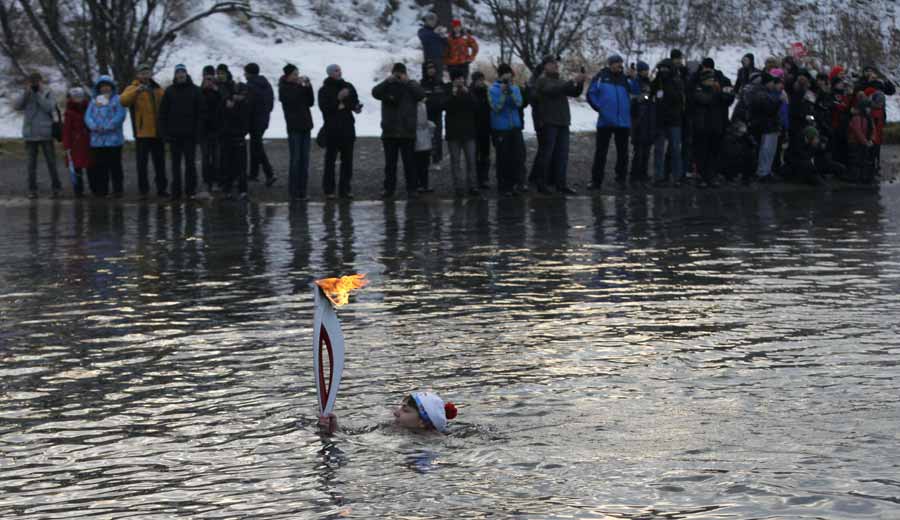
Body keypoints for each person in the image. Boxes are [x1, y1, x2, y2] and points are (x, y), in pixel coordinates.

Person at [531, 54, 585, 194]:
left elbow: (574, 93)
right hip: (549, 122)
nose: (555, 65)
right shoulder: (542, 81)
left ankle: (561, 184)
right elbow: (552, 91)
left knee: (562, 155)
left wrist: (579, 82)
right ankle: (541, 184)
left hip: (563, 122)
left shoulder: (560, 81)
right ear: (545, 66)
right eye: (552, 63)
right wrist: (572, 80)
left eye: (556, 63)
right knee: (547, 154)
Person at [372, 63, 426, 199]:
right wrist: (386, 81)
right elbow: (375, 92)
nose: (398, 76)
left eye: (400, 73)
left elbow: (421, 95)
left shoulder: (411, 85)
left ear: (405, 73)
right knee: (390, 164)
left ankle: (412, 189)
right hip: (390, 131)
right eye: (396, 73)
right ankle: (389, 189)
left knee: (410, 163)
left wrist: (408, 82)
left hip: (407, 132)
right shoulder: (387, 86)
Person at [158, 64, 205, 200]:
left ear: (186, 74)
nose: (180, 75)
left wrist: (198, 133)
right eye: (178, 73)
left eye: (182, 72)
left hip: (190, 135)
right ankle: (176, 191)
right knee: (175, 165)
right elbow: (163, 114)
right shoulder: (169, 91)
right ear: (175, 75)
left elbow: (201, 114)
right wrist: (164, 133)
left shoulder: (195, 90)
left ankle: (191, 190)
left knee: (190, 164)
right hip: (174, 135)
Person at [121, 62, 167, 199]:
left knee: (160, 163)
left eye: (147, 72)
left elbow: (166, 106)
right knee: (142, 164)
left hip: (158, 132)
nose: (145, 75)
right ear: (138, 74)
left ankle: (162, 189)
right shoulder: (132, 87)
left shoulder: (158, 89)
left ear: (151, 74)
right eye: (142, 73)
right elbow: (123, 101)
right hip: (142, 132)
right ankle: (143, 191)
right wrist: (137, 91)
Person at [587, 54, 634, 190]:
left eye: (620, 63)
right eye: (616, 63)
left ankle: (621, 179)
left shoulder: (625, 79)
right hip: (605, 121)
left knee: (623, 153)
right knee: (601, 152)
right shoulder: (601, 77)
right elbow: (591, 93)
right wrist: (600, 108)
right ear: (610, 64)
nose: (619, 65)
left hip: (623, 122)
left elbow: (636, 92)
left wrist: (633, 78)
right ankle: (596, 181)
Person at [318, 391, 458, 435]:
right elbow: (354, 436)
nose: (396, 413)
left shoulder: (432, 442)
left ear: (422, 422)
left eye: (405, 410)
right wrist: (334, 428)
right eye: (400, 407)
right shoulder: (389, 428)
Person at [318, 64, 361, 200]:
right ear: (330, 73)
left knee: (347, 161)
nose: (339, 72)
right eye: (336, 71)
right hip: (332, 129)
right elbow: (325, 108)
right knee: (330, 160)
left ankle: (345, 189)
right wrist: (338, 100)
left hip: (348, 128)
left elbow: (354, 102)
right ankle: (329, 190)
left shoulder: (348, 86)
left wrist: (353, 106)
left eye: (340, 70)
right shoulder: (324, 89)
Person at [15, 71, 61, 199]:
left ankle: (56, 188)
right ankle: (32, 189)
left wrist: (38, 94)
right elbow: (17, 106)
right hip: (30, 133)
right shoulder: (26, 92)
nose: (35, 84)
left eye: (37, 81)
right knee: (30, 164)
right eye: (32, 81)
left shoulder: (48, 92)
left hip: (45, 133)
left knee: (51, 162)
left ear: (41, 81)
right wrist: (26, 93)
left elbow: (49, 107)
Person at [84, 75, 127, 198]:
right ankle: (102, 190)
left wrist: (108, 126)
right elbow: (88, 116)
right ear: (99, 88)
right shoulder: (95, 100)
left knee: (115, 166)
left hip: (113, 140)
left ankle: (118, 190)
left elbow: (120, 115)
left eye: (107, 86)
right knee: (100, 167)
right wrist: (93, 126)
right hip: (97, 141)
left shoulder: (118, 99)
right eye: (102, 86)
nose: (105, 89)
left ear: (111, 87)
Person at [690, 69, 734, 187]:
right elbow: (704, 99)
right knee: (702, 154)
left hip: (715, 127)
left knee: (713, 153)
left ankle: (711, 177)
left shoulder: (716, 90)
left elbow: (726, 101)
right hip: (702, 127)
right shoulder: (698, 89)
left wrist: (729, 94)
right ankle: (702, 177)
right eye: (709, 80)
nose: (712, 82)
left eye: (713, 80)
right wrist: (718, 94)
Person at [488, 63, 526, 197]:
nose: (508, 77)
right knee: (503, 157)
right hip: (501, 128)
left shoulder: (514, 88)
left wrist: (510, 92)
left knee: (518, 155)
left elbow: (519, 104)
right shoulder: (493, 89)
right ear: (500, 75)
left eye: (510, 74)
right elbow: (496, 107)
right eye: (506, 74)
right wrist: (503, 94)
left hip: (515, 126)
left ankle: (517, 183)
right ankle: (503, 185)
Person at [279, 63, 315, 201]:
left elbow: (310, 102)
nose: (297, 76)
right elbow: (291, 100)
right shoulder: (284, 88)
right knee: (296, 159)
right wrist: (300, 86)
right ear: (288, 76)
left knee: (304, 160)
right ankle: (294, 191)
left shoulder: (299, 87)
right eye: (294, 74)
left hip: (306, 125)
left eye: (297, 74)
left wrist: (309, 86)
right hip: (294, 127)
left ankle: (303, 190)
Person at [651, 59, 686, 187]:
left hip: (674, 121)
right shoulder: (657, 81)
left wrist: (665, 91)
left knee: (675, 150)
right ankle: (658, 176)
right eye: (661, 69)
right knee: (659, 150)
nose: (663, 71)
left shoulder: (677, 81)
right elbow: (650, 93)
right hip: (660, 120)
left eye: (666, 69)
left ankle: (677, 177)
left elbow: (678, 98)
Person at [444, 69, 479, 197]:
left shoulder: (468, 91)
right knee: (455, 161)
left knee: (471, 160)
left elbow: (476, 106)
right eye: (458, 79)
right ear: (453, 80)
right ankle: (458, 187)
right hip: (453, 133)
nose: (460, 81)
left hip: (468, 132)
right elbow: (444, 106)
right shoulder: (448, 90)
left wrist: (468, 93)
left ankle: (473, 186)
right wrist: (452, 94)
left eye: (462, 78)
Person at [244, 62, 277, 186]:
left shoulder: (250, 85)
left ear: (249, 73)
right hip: (264, 119)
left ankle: (269, 173)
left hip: (254, 120)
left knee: (257, 146)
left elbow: (249, 106)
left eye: (245, 72)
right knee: (255, 145)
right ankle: (254, 173)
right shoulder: (266, 84)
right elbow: (270, 103)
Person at [750, 73, 786, 183]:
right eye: (771, 82)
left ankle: (766, 171)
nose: (773, 85)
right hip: (767, 125)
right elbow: (768, 109)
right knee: (766, 150)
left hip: (769, 125)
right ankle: (763, 172)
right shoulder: (761, 93)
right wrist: (780, 100)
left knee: (769, 150)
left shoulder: (764, 92)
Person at [220, 83, 252, 200]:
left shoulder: (245, 104)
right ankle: (228, 189)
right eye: (239, 94)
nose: (240, 97)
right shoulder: (227, 102)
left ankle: (242, 190)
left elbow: (245, 122)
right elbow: (223, 118)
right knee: (228, 165)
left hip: (239, 137)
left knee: (241, 166)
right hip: (228, 137)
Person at [62, 87, 93, 197]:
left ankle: (94, 188)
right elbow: (66, 131)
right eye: (75, 97)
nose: (78, 99)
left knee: (91, 166)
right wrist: (67, 146)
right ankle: (78, 190)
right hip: (75, 144)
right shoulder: (69, 113)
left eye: (80, 96)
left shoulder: (89, 107)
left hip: (88, 141)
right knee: (76, 167)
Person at [629, 61, 656, 187]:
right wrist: (642, 98)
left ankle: (643, 175)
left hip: (648, 120)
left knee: (646, 152)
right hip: (639, 121)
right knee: (639, 152)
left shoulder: (649, 83)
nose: (646, 72)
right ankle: (635, 176)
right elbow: (633, 99)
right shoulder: (635, 83)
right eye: (644, 70)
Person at [199, 65, 222, 196]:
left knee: (216, 157)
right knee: (206, 157)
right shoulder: (199, 91)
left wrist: (216, 91)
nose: (208, 80)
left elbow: (223, 105)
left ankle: (216, 181)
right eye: (206, 77)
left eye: (210, 77)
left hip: (216, 129)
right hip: (204, 130)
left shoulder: (218, 90)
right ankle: (206, 181)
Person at [421, 60, 449, 167]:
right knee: (425, 138)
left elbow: (444, 97)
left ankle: (437, 160)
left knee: (437, 137)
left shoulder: (439, 82)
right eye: (429, 68)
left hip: (437, 114)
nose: (431, 70)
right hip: (426, 115)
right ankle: (425, 160)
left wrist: (441, 105)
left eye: (433, 68)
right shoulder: (422, 83)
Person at [469, 71, 492, 189]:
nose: (481, 82)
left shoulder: (487, 92)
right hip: (474, 128)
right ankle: (476, 179)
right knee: (474, 155)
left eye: (482, 80)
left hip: (485, 128)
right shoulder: (470, 93)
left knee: (485, 154)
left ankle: (484, 178)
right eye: (479, 80)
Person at [847, 97, 875, 184]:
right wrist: (866, 142)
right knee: (855, 160)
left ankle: (864, 177)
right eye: (868, 107)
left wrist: (871, 140)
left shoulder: (869, 117)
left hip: (864, 142)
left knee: (864, 160)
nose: (869, 109)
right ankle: (855, 177)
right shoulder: (856, 117)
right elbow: (857, 131)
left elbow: (873, 129)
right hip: (855, 142)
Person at [719, 120, 758, 185]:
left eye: (743, 132)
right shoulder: (729, 138)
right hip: (731, 162)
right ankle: (732, 176)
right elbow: (730, 152)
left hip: (739, 159)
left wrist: (750, 140)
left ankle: (745, 177)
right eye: (740, 132)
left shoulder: (744, 138)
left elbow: (754, 145)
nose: (741, 134)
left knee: (750, 156)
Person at [418, 13, 448, 79]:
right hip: (429, 60)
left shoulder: (438, 31)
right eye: (430, 20)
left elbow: (446, 43)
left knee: (439, 80)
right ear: (425, 21)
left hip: (440, 60)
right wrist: (436, 33)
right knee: (429, 80)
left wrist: (443, 36)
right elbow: (425, 37)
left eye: (434, 20)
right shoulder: (422, 31)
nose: (433, 22)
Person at [414, 100, 436, 193]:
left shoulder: (423, 105)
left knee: (423, 163)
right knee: (419, 163)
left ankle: (422, 184)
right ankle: (420, 184)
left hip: (423, 136)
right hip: (418, 136)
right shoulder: (421, 105)